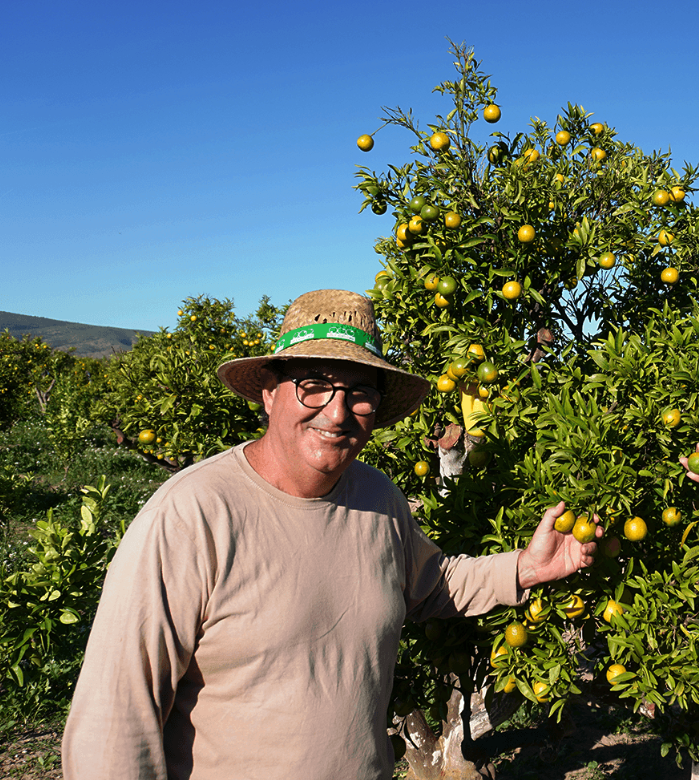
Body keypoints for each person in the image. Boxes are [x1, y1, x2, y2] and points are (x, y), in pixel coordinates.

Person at [62, 289, 598, 780]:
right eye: (313, 385)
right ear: (270, 393)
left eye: (360, 393)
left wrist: (525, 568)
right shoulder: (192, 516)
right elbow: (116, 716)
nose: (337, 412)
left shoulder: (378, 498)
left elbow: (430, 583)